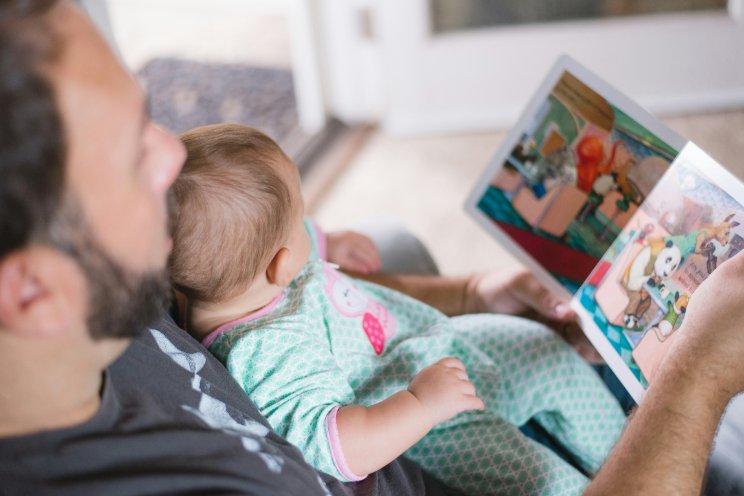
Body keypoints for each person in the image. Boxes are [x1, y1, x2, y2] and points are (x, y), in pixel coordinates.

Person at [0, 1, 741, 494]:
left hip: (452, 359)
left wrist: (469, 291)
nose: (172, 154)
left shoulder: (133, 269)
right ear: (32, 292)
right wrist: (701, 372)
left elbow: (311, 294)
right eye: (131, 155)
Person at [168, 123, 626, 495]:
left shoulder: (236, 279)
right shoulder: (267, 351)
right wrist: (421, 405)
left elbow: (275, 240)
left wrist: (327, 240)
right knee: (545, 483)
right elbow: (337, 446)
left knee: (544, 349)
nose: (309, 225)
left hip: (430, 343)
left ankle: (626, 454)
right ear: (281, 264)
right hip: (433, 423)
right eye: (300, 220)